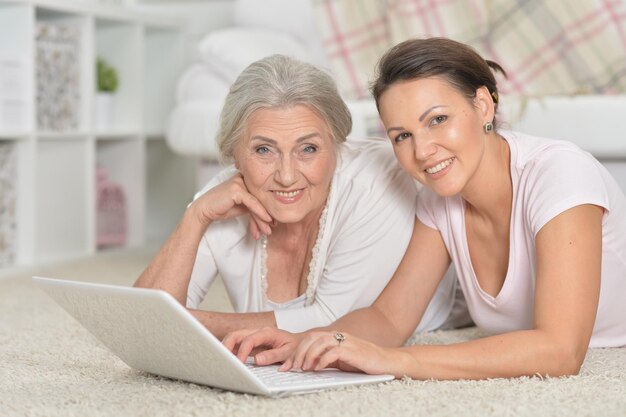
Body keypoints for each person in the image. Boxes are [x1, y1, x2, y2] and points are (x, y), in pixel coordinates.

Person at [223, 38, 626, 379]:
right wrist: (314, 341)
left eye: (437, 120)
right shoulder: (440, 199)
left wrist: (396, 361)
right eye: (401, 136)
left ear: (484, 106)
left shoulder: (560, 174)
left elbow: (561, 351)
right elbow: (389, 318)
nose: (421, 151)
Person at [134, 54, 461, 339]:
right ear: (235, 154)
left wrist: (188, 324)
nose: (287, 175)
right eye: (264, 149)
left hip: (451, 314)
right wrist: (195, 218)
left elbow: (334, 321)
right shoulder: (224, 196)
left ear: (337, 147)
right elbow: (139, 324)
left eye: (308, 149)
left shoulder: (377, 179)